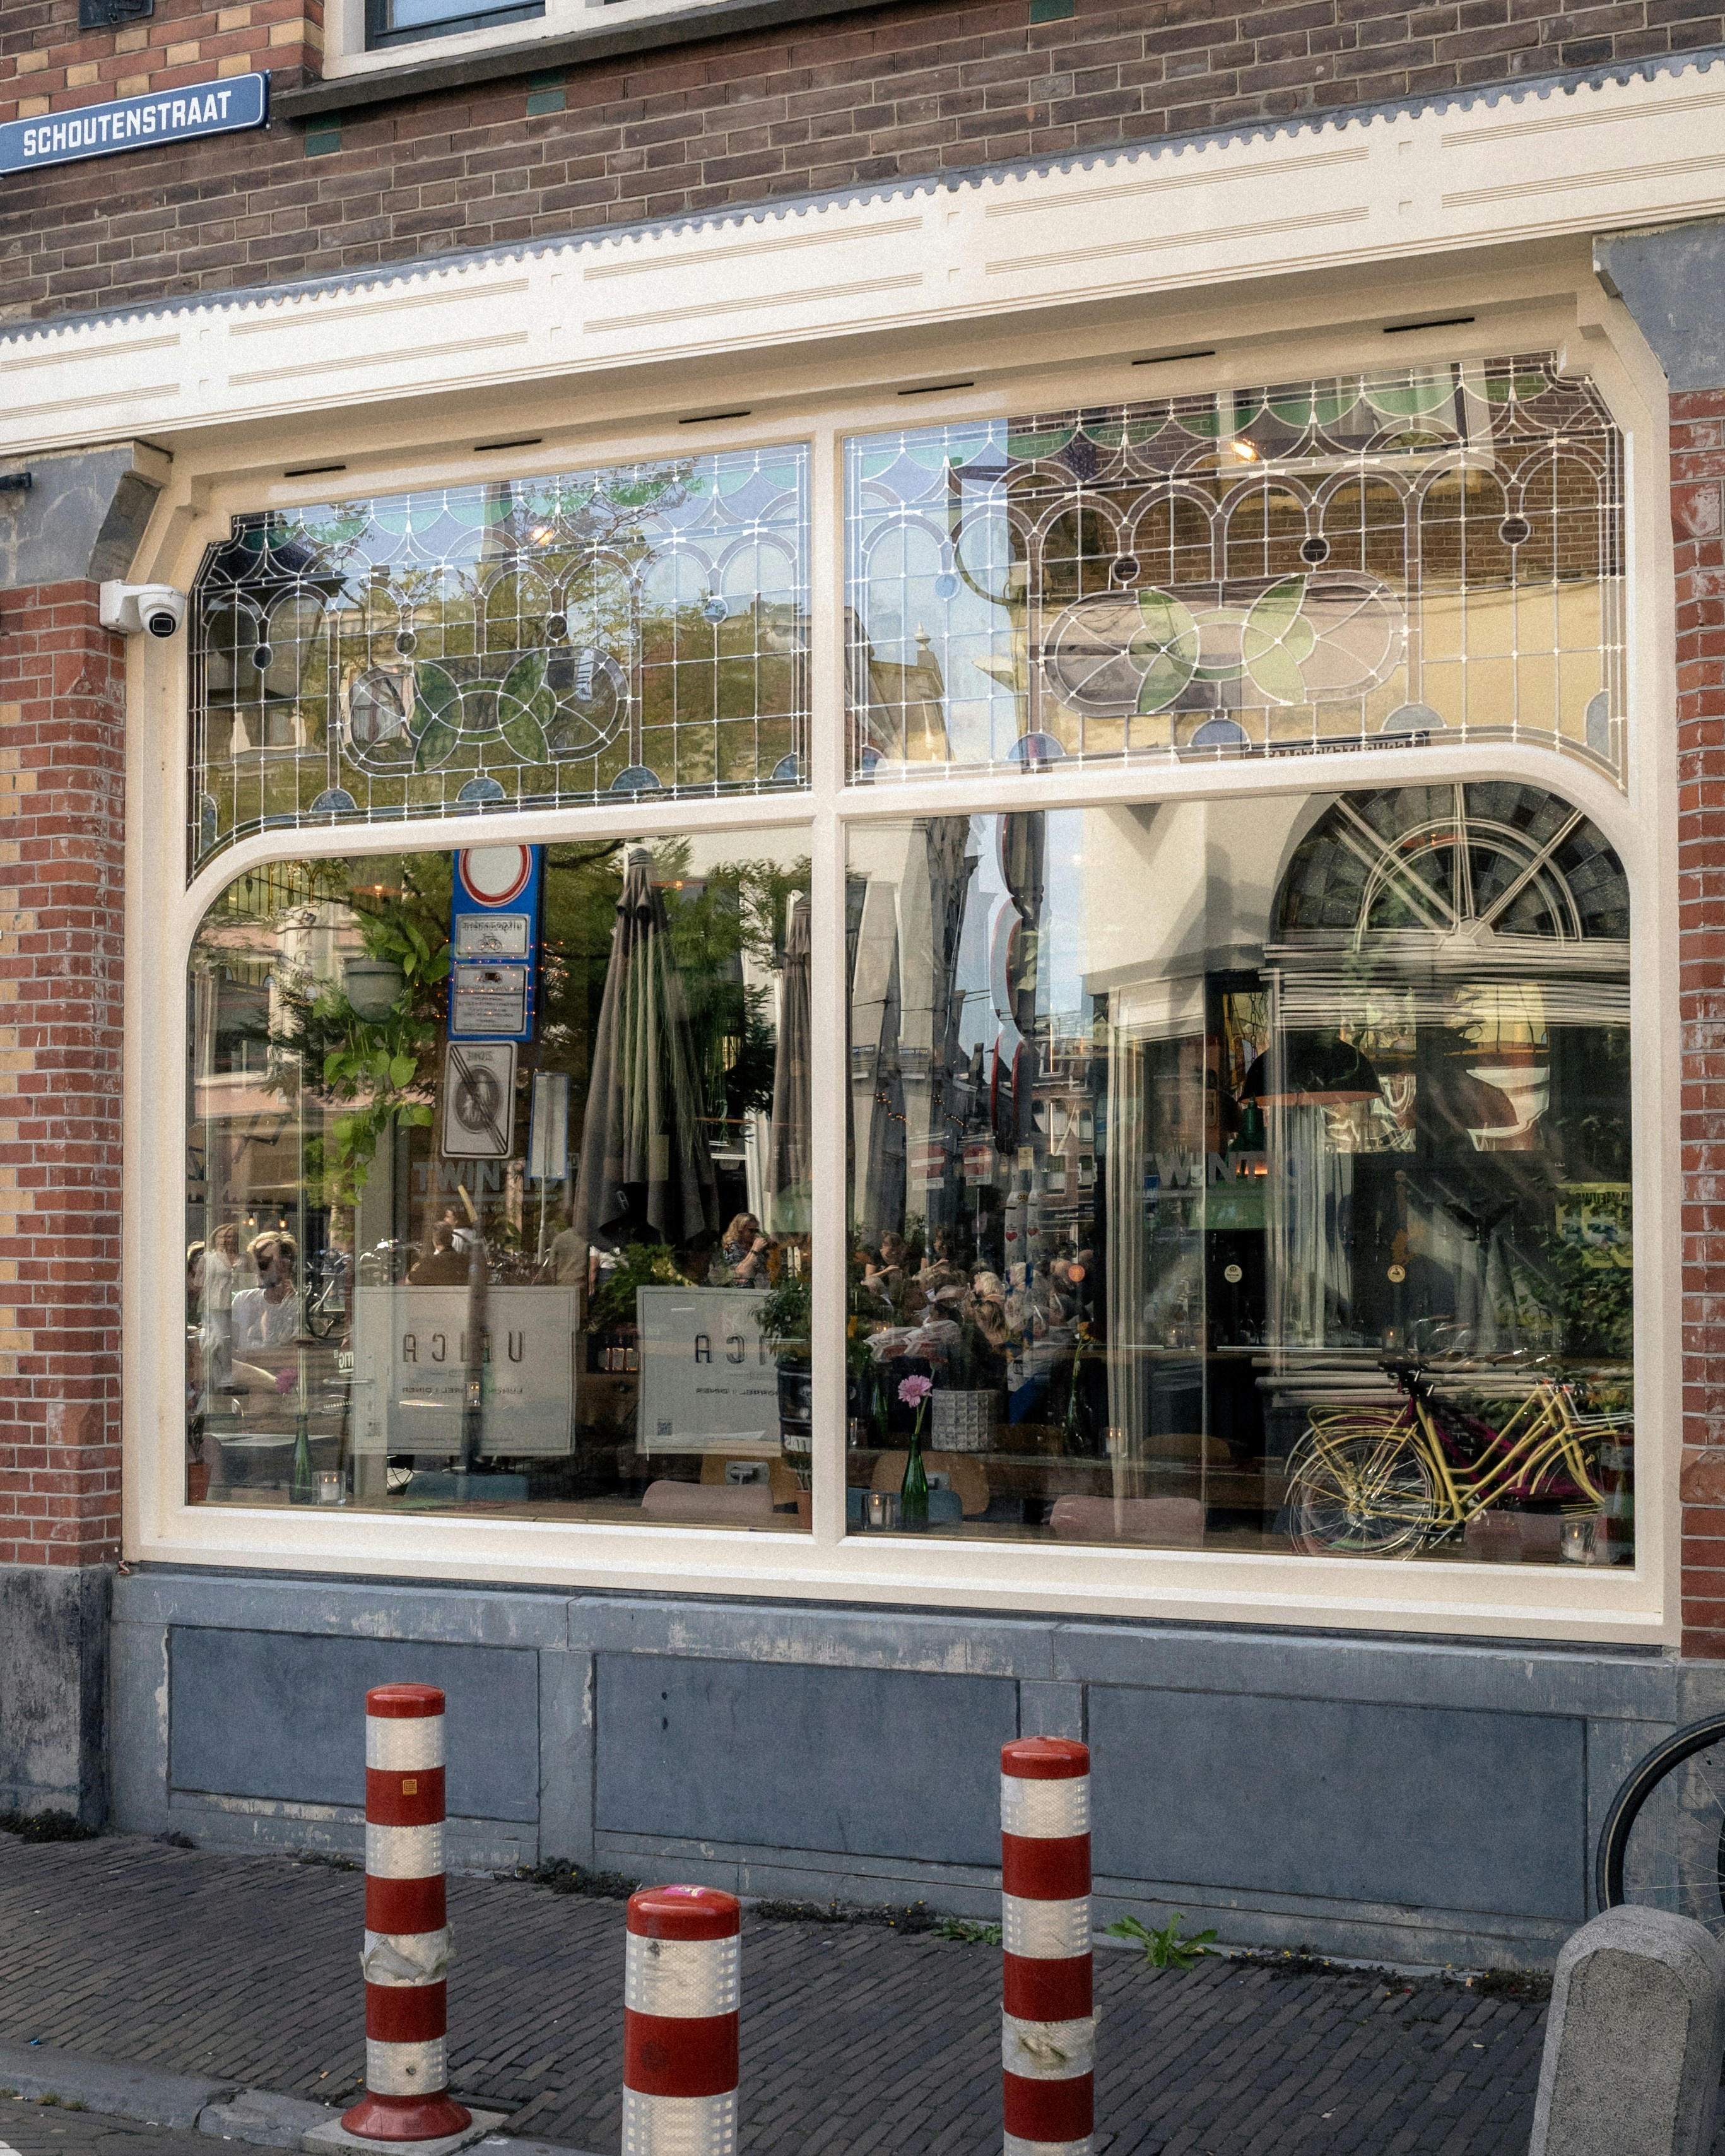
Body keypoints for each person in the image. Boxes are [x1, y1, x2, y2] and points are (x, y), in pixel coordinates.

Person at [232, 1232, 302, 1358]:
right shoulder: (243, 1300)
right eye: (254, 1265)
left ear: (285, 1265)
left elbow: (292, 1357)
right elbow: (232, 1348)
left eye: (263, 1265)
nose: (257, 1271)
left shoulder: (298, 1305)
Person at [203, 1222, 239, 1388]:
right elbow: (201, 1282)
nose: (225, 1240)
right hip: (217, 1303)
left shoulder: (239, 1257)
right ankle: (222, 1376)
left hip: (237, 1302)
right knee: (221, 1340)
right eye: (222, 1237)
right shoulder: (209, 1258)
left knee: (234, 1340)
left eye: (230, 1237)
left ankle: (230, 1374)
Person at [409, 1220, 471, 1286]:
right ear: (452, 1238)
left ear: (435, 1240)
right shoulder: (466, 1260)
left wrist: (412, 1274)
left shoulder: (429, 1262)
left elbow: (410, 1282)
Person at [721, 1211, 770, 1286]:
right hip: (742, 1291)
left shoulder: (752, 1245)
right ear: (740, 1230)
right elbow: (742, 1272)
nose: (754, 1234)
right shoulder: (731, 1247)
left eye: (756, 1231)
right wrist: (755, 1250)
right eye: (751, 1230)